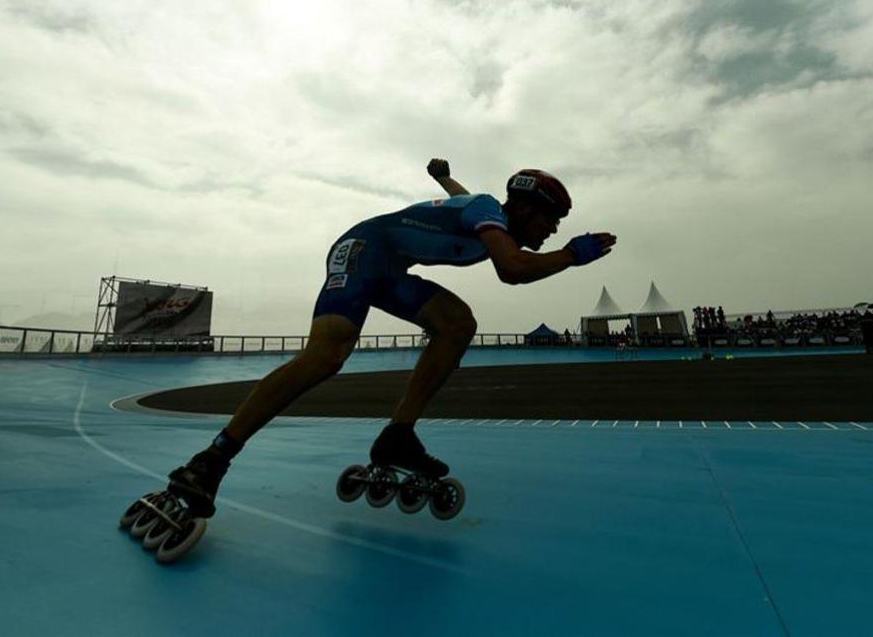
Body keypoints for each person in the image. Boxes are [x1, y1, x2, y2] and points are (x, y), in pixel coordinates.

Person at [165, 158, 617, 517]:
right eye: (551, 218)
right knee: (326, 356)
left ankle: (398, 435)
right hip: (363, 249)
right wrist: (572, 256)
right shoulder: (491, 217)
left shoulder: (489, 217)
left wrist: (444, 177)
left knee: (457, 324)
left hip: (390, 267)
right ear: (521, 209)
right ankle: (212, 459)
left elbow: (462, 199)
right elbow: (512, 272)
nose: (554, 228)